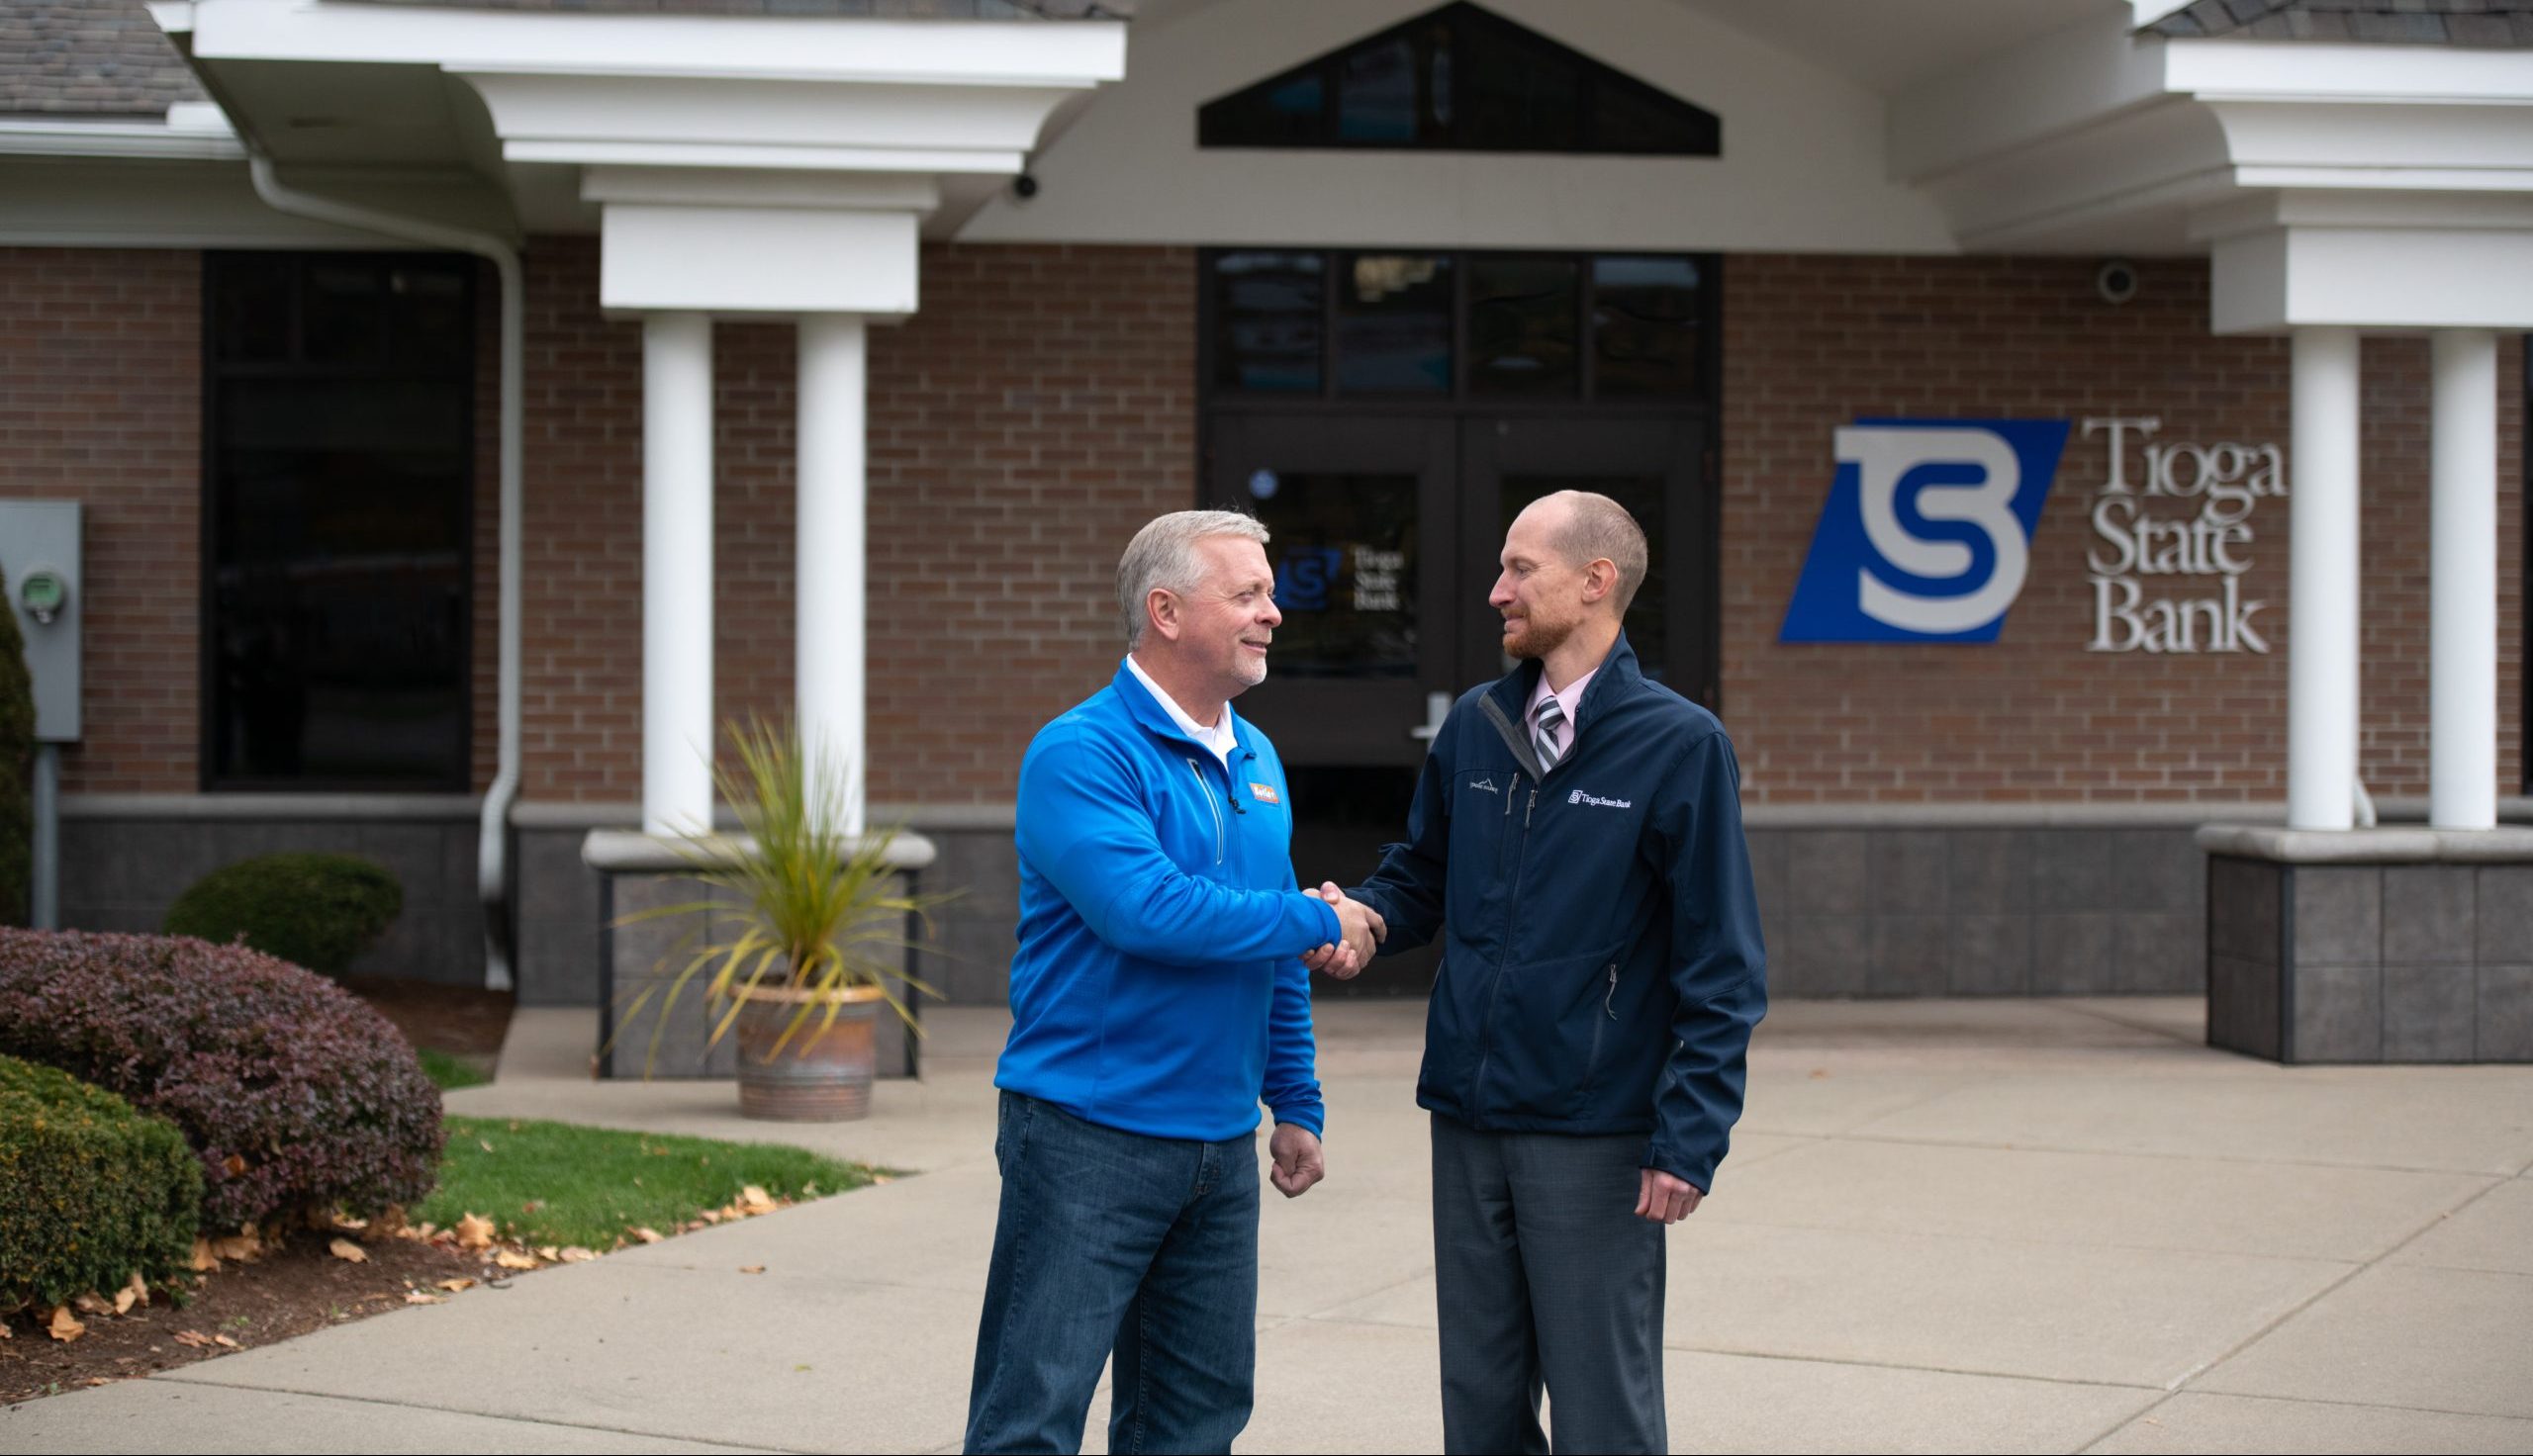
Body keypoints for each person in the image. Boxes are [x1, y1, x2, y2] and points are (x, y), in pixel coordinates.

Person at [1314, 490, 1766, 1455]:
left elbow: (1721, 963)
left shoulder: (1680, 744)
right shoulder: (1478, 726)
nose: (1496, 590)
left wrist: (1689, 1134)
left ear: (1594, 581)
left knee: (1601, 1405)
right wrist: (1362, 915)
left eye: (1520, 569)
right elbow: (1422, 874)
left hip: (1594, 1130)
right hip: (1470, 1113)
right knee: (1477, 1400)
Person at [964, 509, 1387, 1456]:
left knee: (1194, 1424)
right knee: (1032, 1417)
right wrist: (1322, 917)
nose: (1274, 613)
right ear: (1164, 610)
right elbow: (1148, 911)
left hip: (1217, 1149)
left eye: (1269, 594)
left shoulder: (1259, 756)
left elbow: (1264, 947)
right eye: (1247, 594)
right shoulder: (1081, 753)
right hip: (1085, 1142)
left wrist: (1298, 1101)